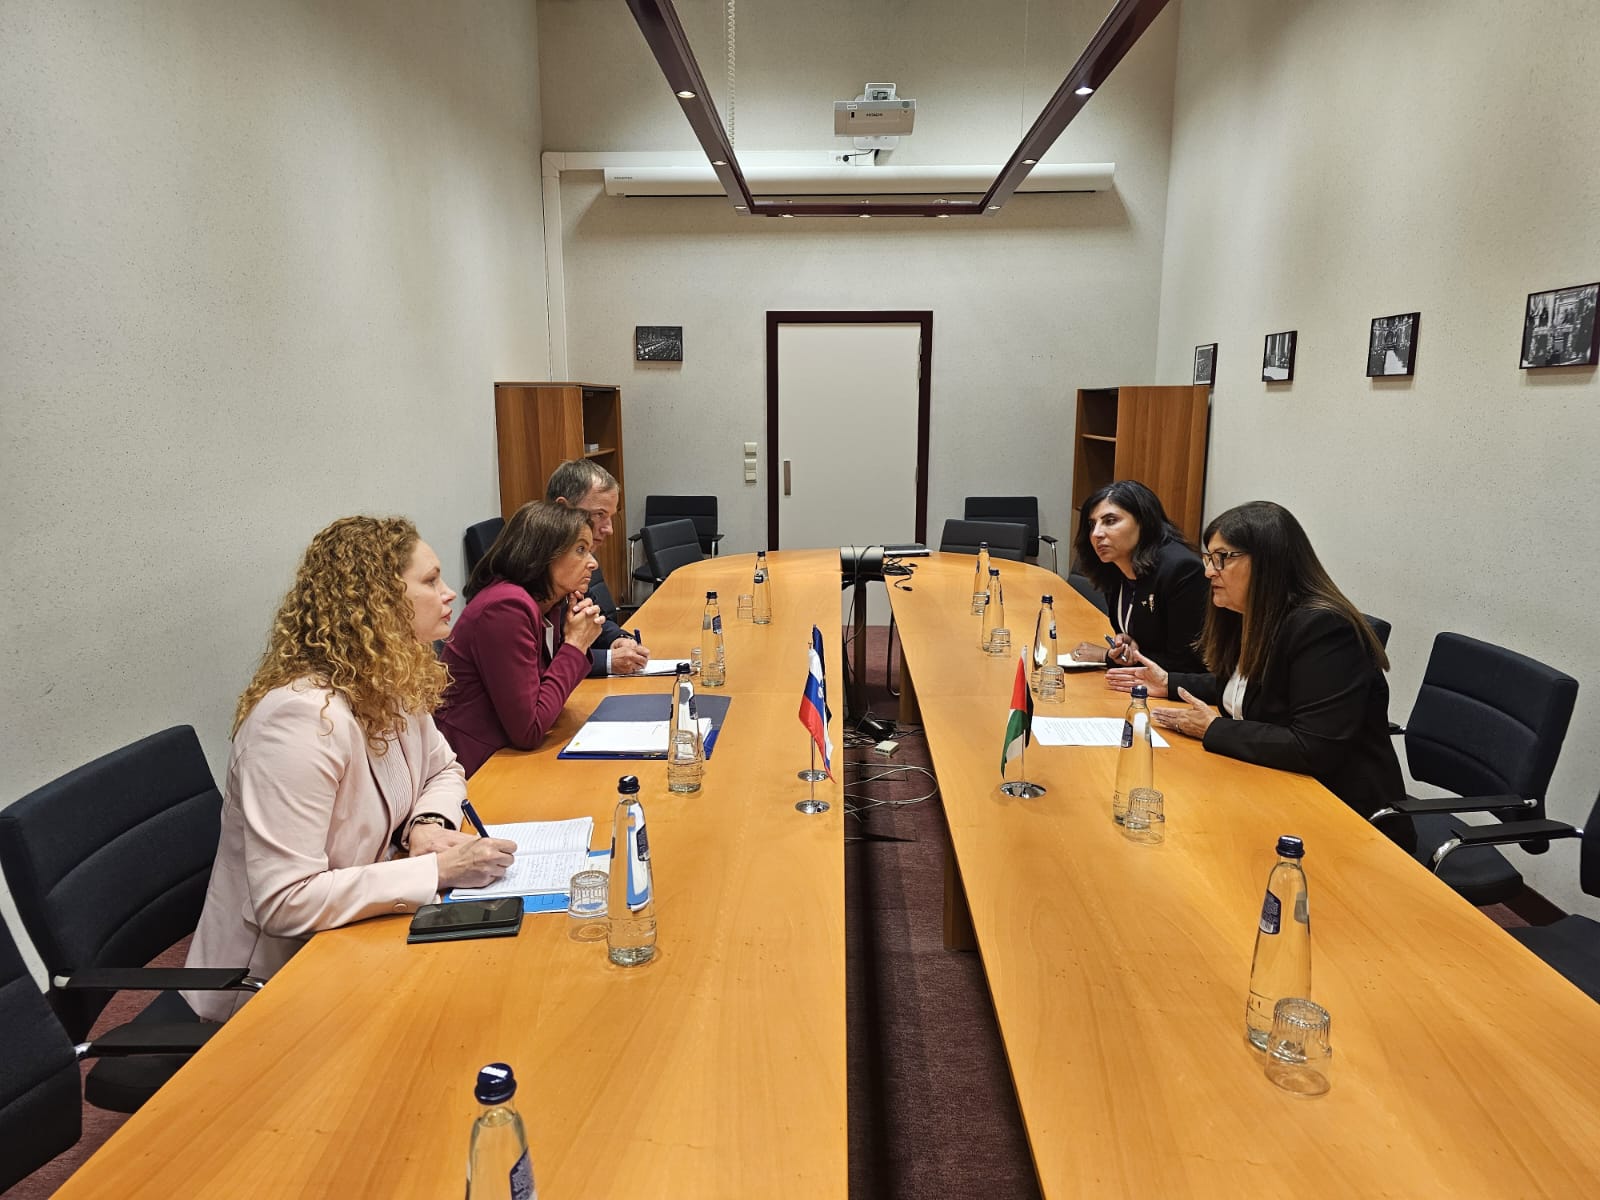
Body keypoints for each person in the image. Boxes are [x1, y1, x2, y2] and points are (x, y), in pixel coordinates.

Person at [185, 517, 517, 1020]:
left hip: (361, 933)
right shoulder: (298, 721)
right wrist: (436, 869)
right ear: (378, 602)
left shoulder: (388, 681)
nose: (449, 593)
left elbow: (445, 769)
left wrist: (428, 825)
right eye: (430, 581)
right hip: (270, 985)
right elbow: (286, 902)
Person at [1106, 501, 1410, 843]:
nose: (1209, 572)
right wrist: (1169, 682)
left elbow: (1313, 746)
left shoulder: (1324, 628)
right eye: (1209, 558)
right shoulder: (1252, 615)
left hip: (1343, 817)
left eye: (1222, 558)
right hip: (1271, 789)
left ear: (1268, 561)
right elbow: (1245, 688)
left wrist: (1213, 728)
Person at [436, 501, 606, 775]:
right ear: (543, 554)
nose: (593, 563)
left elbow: (545, 697)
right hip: (477, 766)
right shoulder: (506, 607)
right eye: (580, 550)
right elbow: (529, 730)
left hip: (506, 754)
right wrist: (575, 644)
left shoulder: (547, 604)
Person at [1067, 480, 1208, 674]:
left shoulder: (1182, 569)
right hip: (1141, 683)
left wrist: (1107, 657)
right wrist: (1127, 647)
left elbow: (1186, 663)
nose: (1096, 533)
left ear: (1143, 521)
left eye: (1110, 521)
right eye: (1092, 524)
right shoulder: (1114, 568)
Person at [545, 459, 651, 675]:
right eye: (599, 514)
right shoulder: (537, 570)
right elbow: (542, 658)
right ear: (563, 508)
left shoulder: (580, 560)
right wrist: (608, 661)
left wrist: (618, 639)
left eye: (610, 516)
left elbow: (594, 617)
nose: (609, 529)